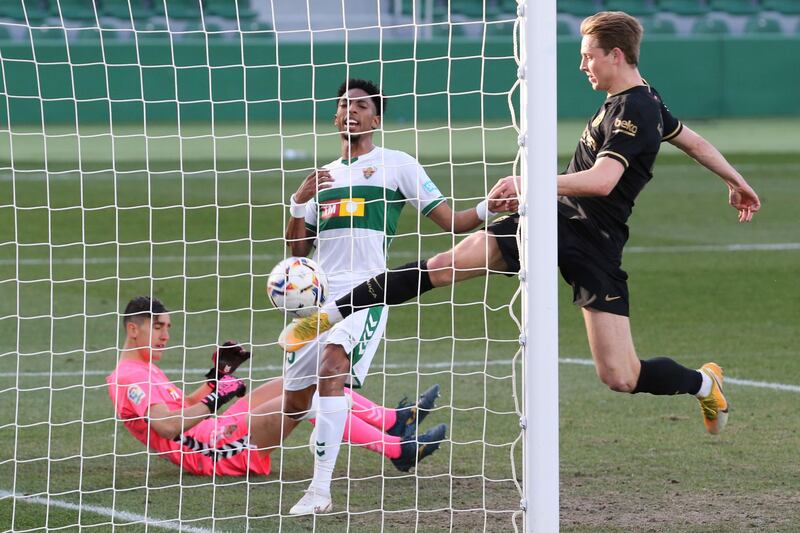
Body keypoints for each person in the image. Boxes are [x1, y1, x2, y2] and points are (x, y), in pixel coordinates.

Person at [279, 12, 761, 438]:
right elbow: (692, 140)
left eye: (587, 56)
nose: (582, 65)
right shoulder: (638, 100)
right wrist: (737, 180)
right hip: (551, 220)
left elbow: (602, 181)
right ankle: (330, 316)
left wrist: (527, 183)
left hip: (595, 242)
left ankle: (704, 383)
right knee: (444, 265)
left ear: (615, 55)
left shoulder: (637, 106)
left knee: (620, 375)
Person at [271, 77, 512, 515]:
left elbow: (452, 223)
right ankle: (313, 427)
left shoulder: (397, 165)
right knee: (293, 402)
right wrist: (297, 202)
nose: (351, 111)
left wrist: (486, 210)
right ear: (335, 117)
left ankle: (319, 492)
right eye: (344, 105)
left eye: (361, 106)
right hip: (318, 301)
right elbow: (297, 254)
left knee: (332, 369)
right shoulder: (319, 179)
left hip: (368, 292)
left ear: (376, 119)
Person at [107, 295, 442, 477]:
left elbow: (180, 408)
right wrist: (214, 401)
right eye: (157, 327)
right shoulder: (131, 377)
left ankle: (393, 421)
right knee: (303, 401)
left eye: (167, 327)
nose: (165, 335)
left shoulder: (143, 368)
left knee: (297, 381)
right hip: (211, 450)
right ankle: (398, 450)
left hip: (213, 427)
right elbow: (167, 427)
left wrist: (217, 378)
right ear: (132, 329)